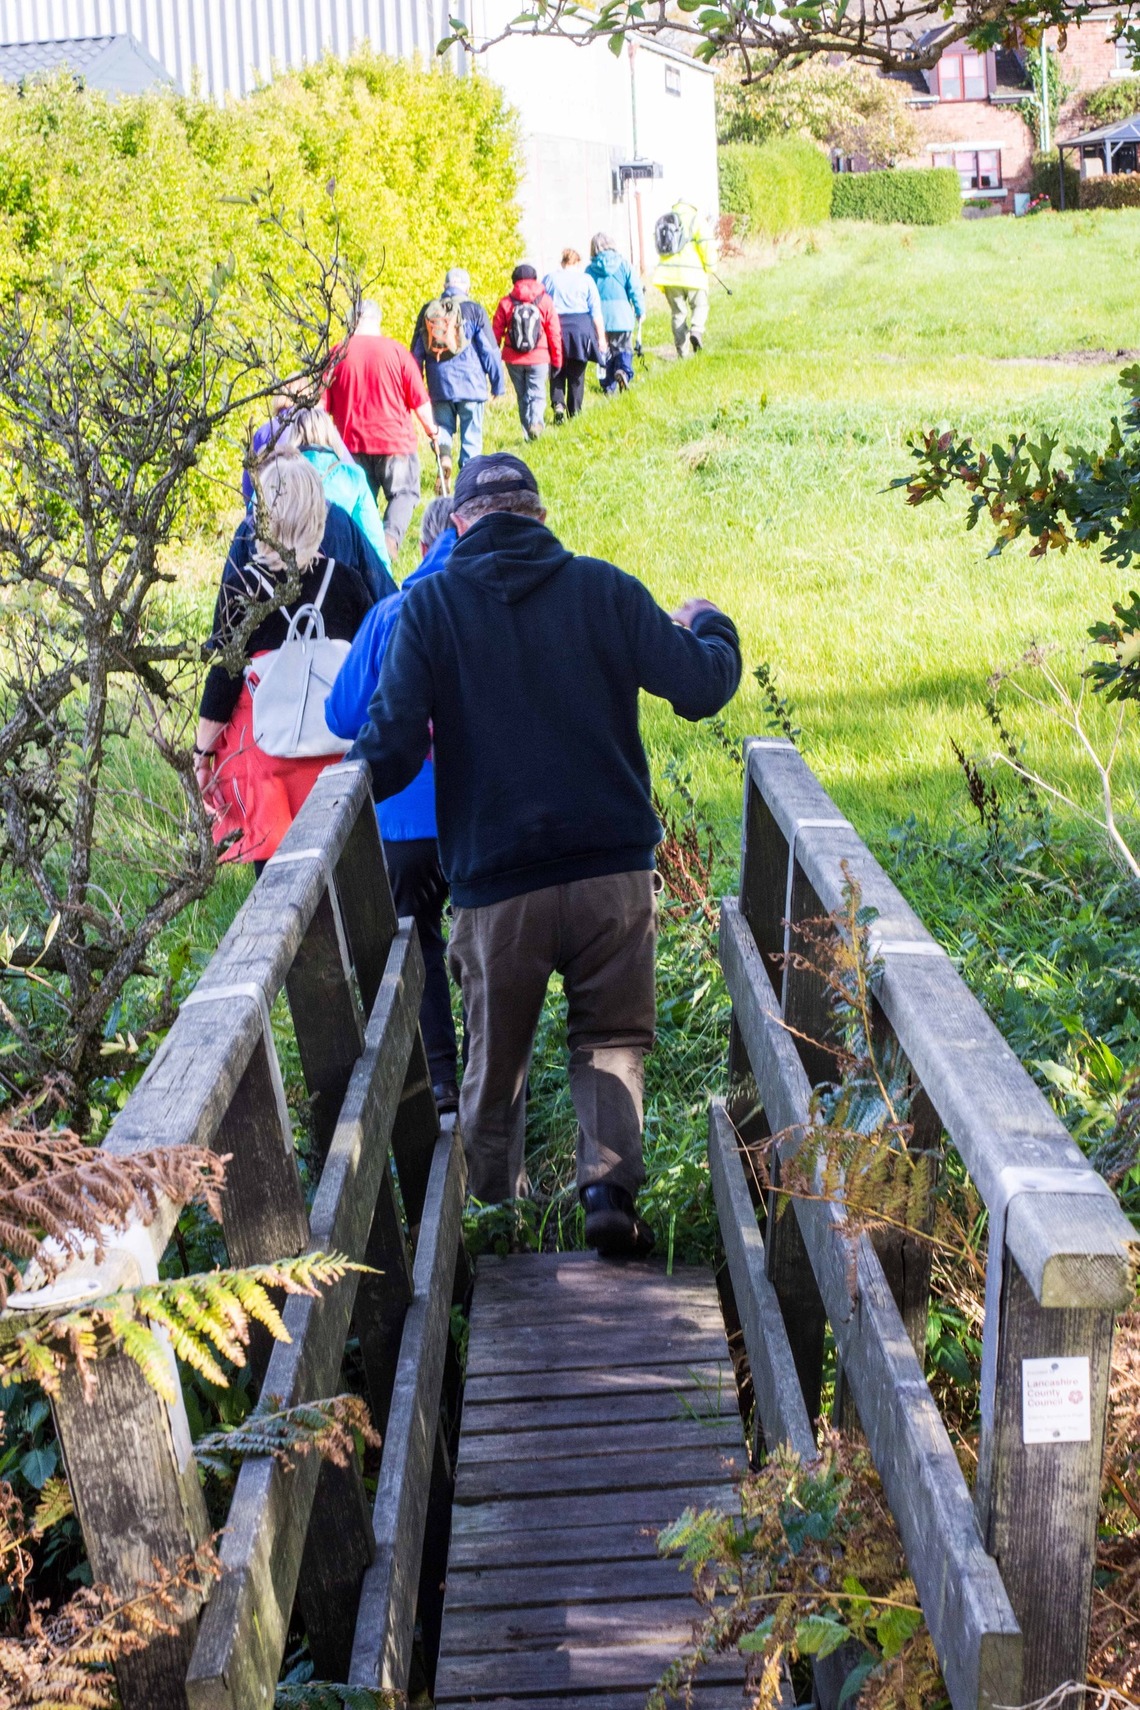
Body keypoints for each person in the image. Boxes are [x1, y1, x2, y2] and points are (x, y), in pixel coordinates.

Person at [348, 453, 741, 1257]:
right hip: (612, 874)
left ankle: (497, 1219)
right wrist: (710, 623)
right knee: (611, 1036)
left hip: (498, 887)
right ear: (540, 515)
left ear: (459, 525)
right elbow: (701, 686)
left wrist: (344, 786)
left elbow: (384, 750)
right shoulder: (605, 589)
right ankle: (607, 1190)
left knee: (497, 1059)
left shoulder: (430, 609)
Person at [325, 496, 460, 1111]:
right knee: (490, 948)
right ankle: (496, 1093)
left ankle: (439, 1087)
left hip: (404, 820)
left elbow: (342, 714)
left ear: (428, 542)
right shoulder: (484, 608)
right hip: (481, 818)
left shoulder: (389, 614)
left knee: (418, 943)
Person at [195, 454, 379, 867]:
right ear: (319, 512)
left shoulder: (242, 587)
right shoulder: (347, 584)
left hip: (267, 758)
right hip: (335, 753)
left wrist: (201, 754)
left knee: (276, 871)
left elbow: (222, 680)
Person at [323, 298, 441, 560]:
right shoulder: (397, 352)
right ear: (377, 321)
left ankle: (363, 549)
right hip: (394, 443)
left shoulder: (336, 354)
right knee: (404, 493)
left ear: (352, 321)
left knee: (359, 500)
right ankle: (390, 539)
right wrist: (433, 431)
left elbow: (321, 406)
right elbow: (420, 402)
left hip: (350, 445)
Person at [410, 268, 505, 484]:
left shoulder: (428, 310)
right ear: (467, 287)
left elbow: (415, 353)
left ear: (445, 286)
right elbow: (489, 350)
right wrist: (497, 384)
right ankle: (468, 481)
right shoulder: (474, 310)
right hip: (471, 385)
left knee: (442, 427)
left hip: (439, 384)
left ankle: (444, 457)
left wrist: (415, 389)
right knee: (471, 434)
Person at [276, 405, 391, 575]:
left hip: (280, 581)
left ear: (293, 438)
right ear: (331, 436)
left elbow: (253, 526)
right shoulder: (352, 477)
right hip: (340, 581)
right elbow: (374, 544)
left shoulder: (275, 478)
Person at [492, 266, 562, 442]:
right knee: (536, 392)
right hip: (539, 356)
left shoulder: (506, 303)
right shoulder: (545, 301)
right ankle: (536, 423)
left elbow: (495, 334)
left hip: (513, 358)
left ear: (514, 281)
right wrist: (557, 360)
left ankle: (527, 435)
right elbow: (554, 332)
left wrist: (493, 361)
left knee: (522, 395)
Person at [542, 248, 606, 423]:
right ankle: (574, 412)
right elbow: (596, 312)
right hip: (581, 328)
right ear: (577, 262)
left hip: (557, 327)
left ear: (562, 262)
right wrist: (601, 338)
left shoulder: (550, 278)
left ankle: (558, 404)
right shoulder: (586, 279)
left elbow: (542, 304)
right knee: (577, 373)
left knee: (557, 368)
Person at [651, 199, 715, 357]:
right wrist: (710, 267)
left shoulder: (667, 219)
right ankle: (697, 330)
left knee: (678, 314)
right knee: (700, 306)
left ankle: (682, 353)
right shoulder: (696, 219)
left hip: (669, 277)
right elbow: (707, 244)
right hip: (693, 275)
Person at [586, 233, 644, 396]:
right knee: (623, 348)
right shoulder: (624, 265)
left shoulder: (590, 270)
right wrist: (640, 310)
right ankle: (623, 371)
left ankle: (608, 386)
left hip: (599, 318)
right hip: (622, 317)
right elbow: (635, 289)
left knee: (605, 351)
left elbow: (586, 294)